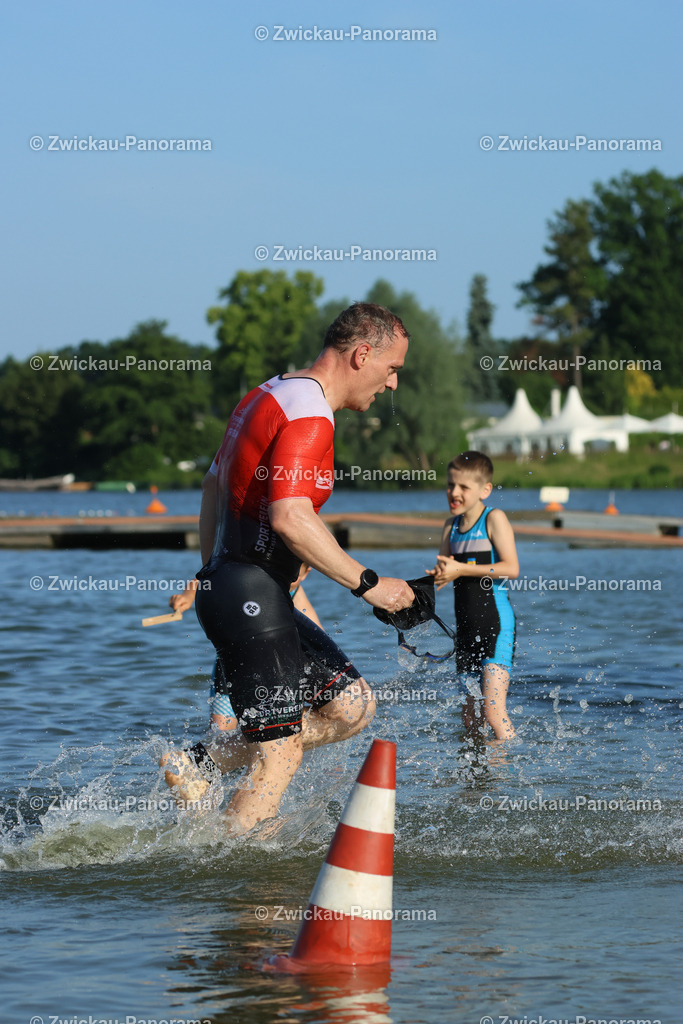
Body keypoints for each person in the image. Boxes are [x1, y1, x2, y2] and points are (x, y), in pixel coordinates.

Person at [161, 302, 414, 832]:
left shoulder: (271, 392)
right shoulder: (310, 412)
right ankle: (237, 885)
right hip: (248, 596)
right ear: (362, 355)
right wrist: (369, 585)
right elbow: (290, 515)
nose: (392, 384)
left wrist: (212, 571)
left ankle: (201, 762)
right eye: (391, 369)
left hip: (244, 590)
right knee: (281, 756)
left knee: (352, 705)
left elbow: (212, 485)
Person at [427, 451, 519, 741]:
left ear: (485, 490)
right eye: (450, 485)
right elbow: (445, 572)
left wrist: (460, 570)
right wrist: (431, 581)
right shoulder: (450, 526)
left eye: (464, 487)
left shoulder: (494, 518)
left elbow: (511, 568)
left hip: (495, 625)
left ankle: (507, 773)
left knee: (493, 711)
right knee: (470, 717)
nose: (454, 493)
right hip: (465, 632)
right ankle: (479, 783)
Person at [168, 563, 323, 733]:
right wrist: (187, 597)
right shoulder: (253, 580)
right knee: (219, 731)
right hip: (234, 663)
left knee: (281, 723)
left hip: (277, 670)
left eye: (295, 575)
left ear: (306, 573)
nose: (289, 579)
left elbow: (317, 638)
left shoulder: (297, 596)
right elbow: (205, 580)